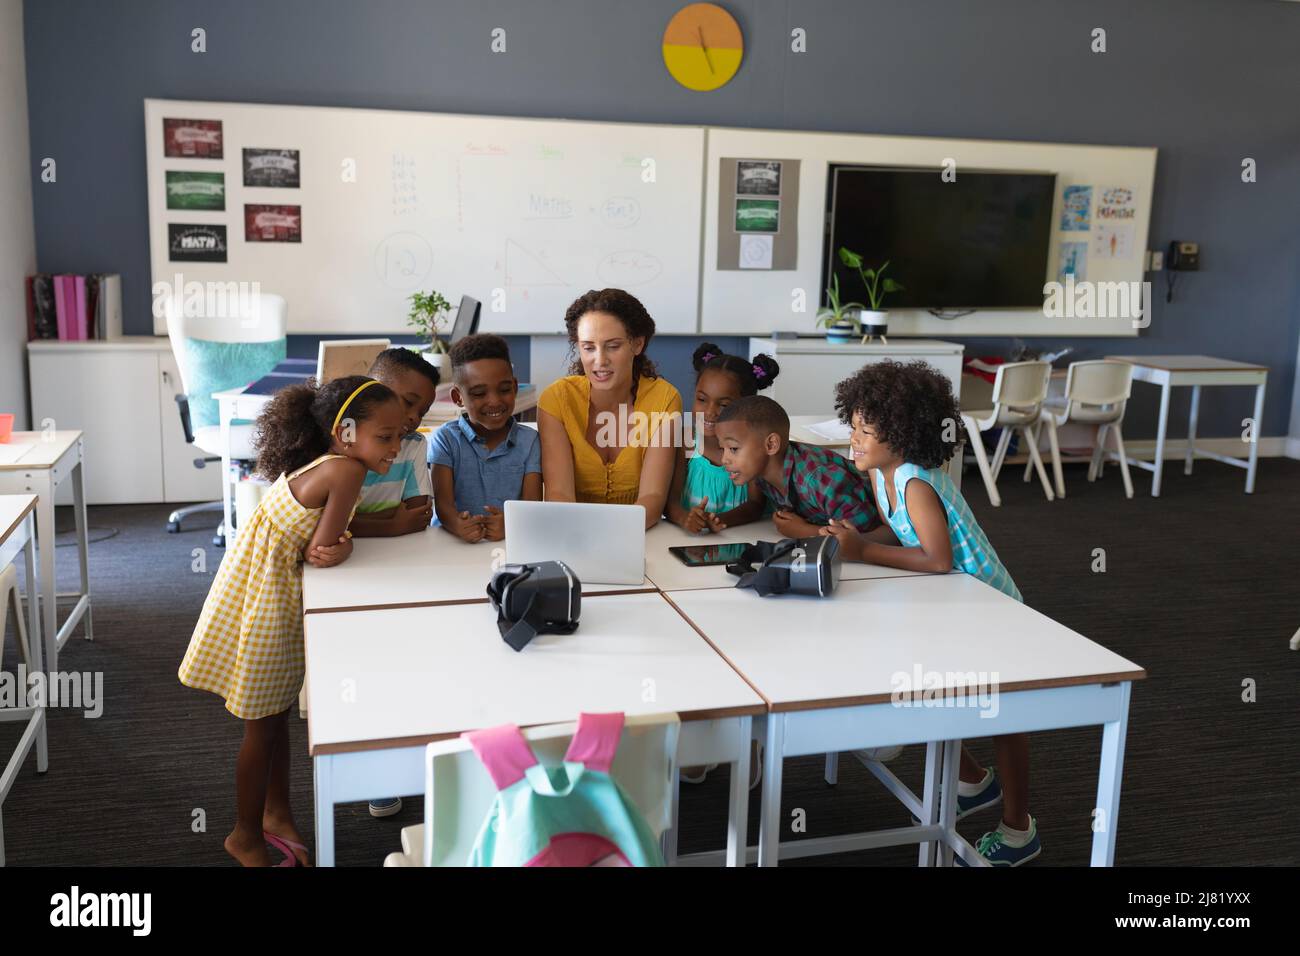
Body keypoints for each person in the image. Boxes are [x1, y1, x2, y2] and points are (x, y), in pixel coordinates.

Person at [178, 376, 405, 866]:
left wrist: (351, 537)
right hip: (270, 609)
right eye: (384, 437)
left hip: (254, 595)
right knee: (262, 729)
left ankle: (276, 813)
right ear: (345, 433)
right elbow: (322, 550)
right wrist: (342, 549)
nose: (396, 447)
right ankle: (243, 834)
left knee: (274, 718)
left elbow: (325, 532)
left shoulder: (325, 462)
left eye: (400, 435)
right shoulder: (347, 471)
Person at [822, 359, 1038, 865]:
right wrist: (846, 540)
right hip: (954, 606)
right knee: (927, 684)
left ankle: (1018, 830)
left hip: (992, 610)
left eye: (866, 431)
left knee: (1006, 718)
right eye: (852, 426)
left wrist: (862, 551)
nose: (853, 439)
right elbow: (900, 535)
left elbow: (937, 559)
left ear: (902, 437)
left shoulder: (916, 481)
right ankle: (972, 781)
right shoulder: (880, 474)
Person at [537, 289, 682, 530]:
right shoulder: (556, 400)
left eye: (612, 346)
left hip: (640, 536)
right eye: (588, 347)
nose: (600, 360)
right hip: (573, 535)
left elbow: (653, 499)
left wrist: (612, 536)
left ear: (637, 344)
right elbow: (559, 495)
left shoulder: (665, 399)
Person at [713, 394, 878, 537]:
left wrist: (804, 531)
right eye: (723, 449)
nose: (724, 460)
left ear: (771, 445)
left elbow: (862, 534)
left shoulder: (817, 479)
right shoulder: (763, 475)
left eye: (733, 449)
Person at [431, 333, 542, 542]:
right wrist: (457, 524)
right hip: (452, 546)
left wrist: (511, 526)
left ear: (515, 387)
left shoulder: (530, 442)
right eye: (479, 393)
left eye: (504, 389)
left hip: (510, 544)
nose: (494, 401)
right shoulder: (445, 439)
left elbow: (531, 506)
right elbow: (443, 505)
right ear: (458, 398)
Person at [665, 343, 777, 534]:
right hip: (690, 541)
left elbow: (756, 504)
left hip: (743, 538)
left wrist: (718, 520)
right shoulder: (685, 442)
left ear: (746, 406)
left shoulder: (754, 449)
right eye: (701, 399)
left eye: (724, 405)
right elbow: (671, 502)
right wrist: (686, 519)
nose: (709, 412)